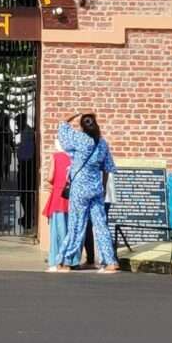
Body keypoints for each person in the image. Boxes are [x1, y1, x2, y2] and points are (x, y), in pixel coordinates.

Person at [63, 112, 115, 272]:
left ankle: (69, 261)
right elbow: (108, 168)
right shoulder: (102, 143)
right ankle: (110, 261)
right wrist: (104, 187)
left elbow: (62, 130)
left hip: (79, 189)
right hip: (96, 188)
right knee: (100, 225)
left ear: (82, 127)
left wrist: (72, 115)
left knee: (77, 224)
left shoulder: (79, 139)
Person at [42, 127, 74, 269]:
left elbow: (50, 177)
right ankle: (71, 259)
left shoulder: (56, 157)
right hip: (71, 196)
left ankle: (57, 259)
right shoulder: (74, 157)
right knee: (71, 229)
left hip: (58, 195)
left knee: (58, 231)